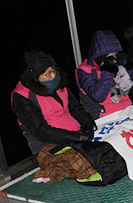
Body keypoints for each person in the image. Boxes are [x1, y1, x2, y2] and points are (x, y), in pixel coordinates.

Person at [11, 51, 98, 182]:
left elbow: (75, 108)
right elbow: (41, 131)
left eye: (53, 70)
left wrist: (89, 124)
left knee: (108, 147)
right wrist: (76, 137)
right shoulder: (22, 97)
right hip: (49, 146)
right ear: (34, 77)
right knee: (85, 161)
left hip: (76, 136)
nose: (53, 75)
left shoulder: (58, 83)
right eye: (47, 74)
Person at [76, 29, 133, 119]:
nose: (114, 59)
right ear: (100, 58)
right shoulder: (84, 71)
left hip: (126, 109)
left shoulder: (117, 64)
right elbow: (98, 96)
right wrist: (108, 70)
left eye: (116, 55)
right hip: (105, 116)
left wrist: (128, 68)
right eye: (110, 57)